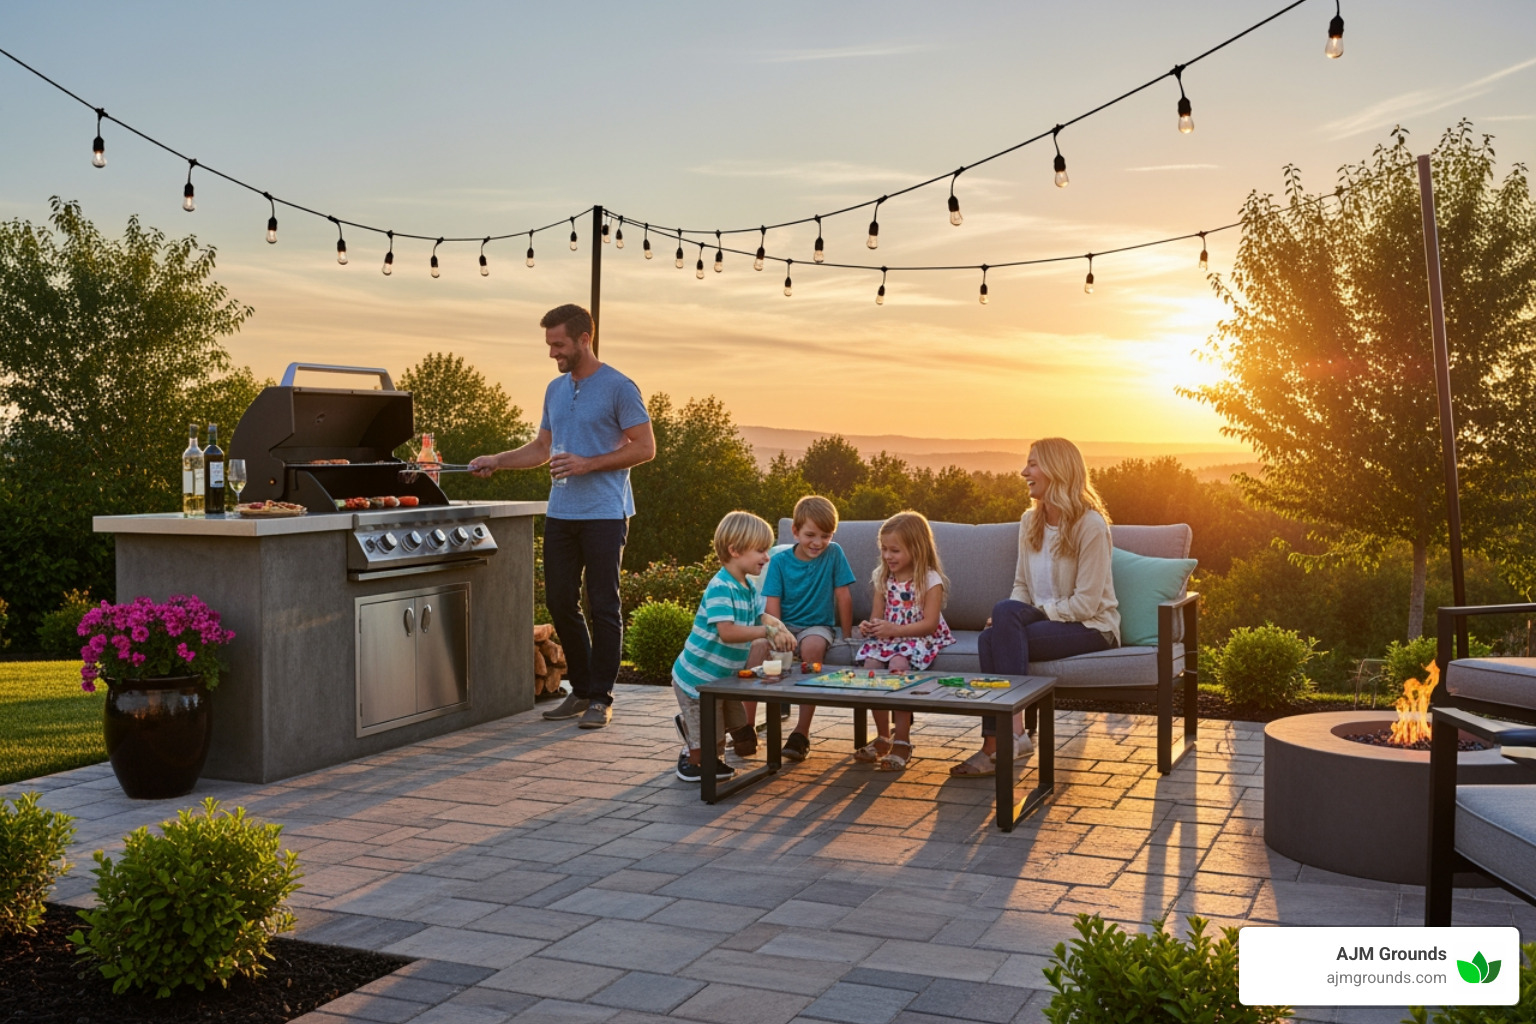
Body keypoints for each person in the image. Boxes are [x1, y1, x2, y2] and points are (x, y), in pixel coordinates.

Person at [469, 304, 655, 730]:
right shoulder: (555, 390)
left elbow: (645, 448)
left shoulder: (619, 387)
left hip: (606, 514)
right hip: (562, 512)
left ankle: (601, 697)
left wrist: (588, 463)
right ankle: (582, 689)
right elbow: (541, 449)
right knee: (558, 601)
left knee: (603, 604)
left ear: (584, 339)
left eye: (559, 344)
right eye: (550, 344)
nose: (553, 352)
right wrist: (497, 460)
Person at [952, 436, 1119, 777]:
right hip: (1046, 620)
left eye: (1032, 464)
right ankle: (1010, 736)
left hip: (1091, 627)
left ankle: (1000, 743)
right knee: (993, 631)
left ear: (1057, 470)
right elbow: (1022, 586)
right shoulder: (1031, 522)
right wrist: (1010, 617)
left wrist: (1016, 619)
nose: (1023, 471)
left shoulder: (1091, 526)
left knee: (998, 627)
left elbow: (1087, 604)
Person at [671, 511, 795, 782]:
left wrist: (775, 624)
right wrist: (766, 631)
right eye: (761, 550)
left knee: (726, 723)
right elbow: (727, 632)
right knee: (707, 740)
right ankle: (693, 762)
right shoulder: (720, 587)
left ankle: (696, 736)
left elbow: (756, 616)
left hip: (719, 678)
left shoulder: (747, 587)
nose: (767, 557)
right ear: (735, 550)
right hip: (697, 678)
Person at [853, 511, 955, 771]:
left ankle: (903, 740)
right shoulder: (882, 577)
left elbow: (929, 624)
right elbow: (877, 618)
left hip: (918, 635)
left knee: (898, 666)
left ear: (916, 549)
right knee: (870, 667)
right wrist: (869, 626)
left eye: (895, 550)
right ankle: (883, 736)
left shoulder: (930, 579)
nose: (888, 556)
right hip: (890, 636)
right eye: (884, 549)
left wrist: (895, 630)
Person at [761, 495, 856, 763]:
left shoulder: (834, 553)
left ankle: (801, 733)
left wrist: (847, 636)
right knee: (758, 650)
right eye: (811, 535)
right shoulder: (779, 562)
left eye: (825, 536)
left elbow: (844, 596)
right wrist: (778, 634)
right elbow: (773, 603)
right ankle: (745, 728)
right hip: (784, 624)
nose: (818, 543)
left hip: (817, 626)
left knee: (812, 647)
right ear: (795, 531)